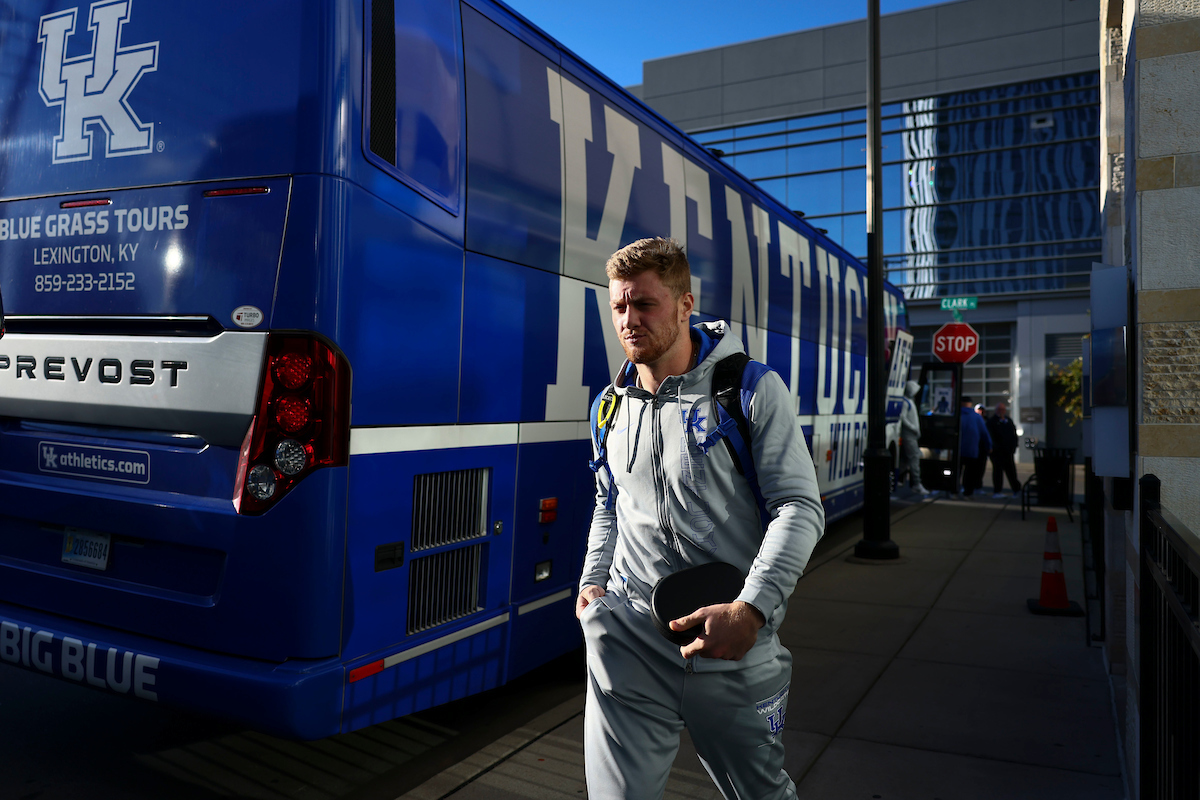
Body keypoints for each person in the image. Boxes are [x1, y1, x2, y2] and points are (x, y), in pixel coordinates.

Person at [576, 237, 824, 800]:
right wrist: (593, 583)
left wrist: (752, 609)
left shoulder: (749, 390)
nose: (629, 320)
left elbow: (800, 508)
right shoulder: (610, 406)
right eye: (619, 307)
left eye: (645, 304)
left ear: (686, 305)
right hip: (629, 642)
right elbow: (608, 503)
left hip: (729, 644)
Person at [898, 381, 931, 495]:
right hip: (909, 435)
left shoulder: (909, 402)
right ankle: (917, 484)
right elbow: (903, 418)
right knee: (914, 457)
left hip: (912, 435)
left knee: (906, 460)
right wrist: (913, 428)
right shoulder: (906, 402)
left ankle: (898, 478)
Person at [958, 395, 992, 496]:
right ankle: (968, 493)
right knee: (970, 474)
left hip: (958, 450)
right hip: (972, 450)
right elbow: (984, 433)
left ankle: (953, 491)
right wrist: (989, 446)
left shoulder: (956, 415)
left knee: (957, 472)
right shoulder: (976, 417)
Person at [987, 401, 1021, 497]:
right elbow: (991, 437)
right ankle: (997, 491)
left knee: (1011, 472)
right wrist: (994, 448)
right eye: (999, 409)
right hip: (997, 452)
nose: (1001, 411)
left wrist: (1014, 446)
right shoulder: (991, 422)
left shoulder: (1008, 421)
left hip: (1008, 452)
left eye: (1002, 409)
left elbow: (1014, 435)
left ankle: (1016, 490)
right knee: (998, 472)